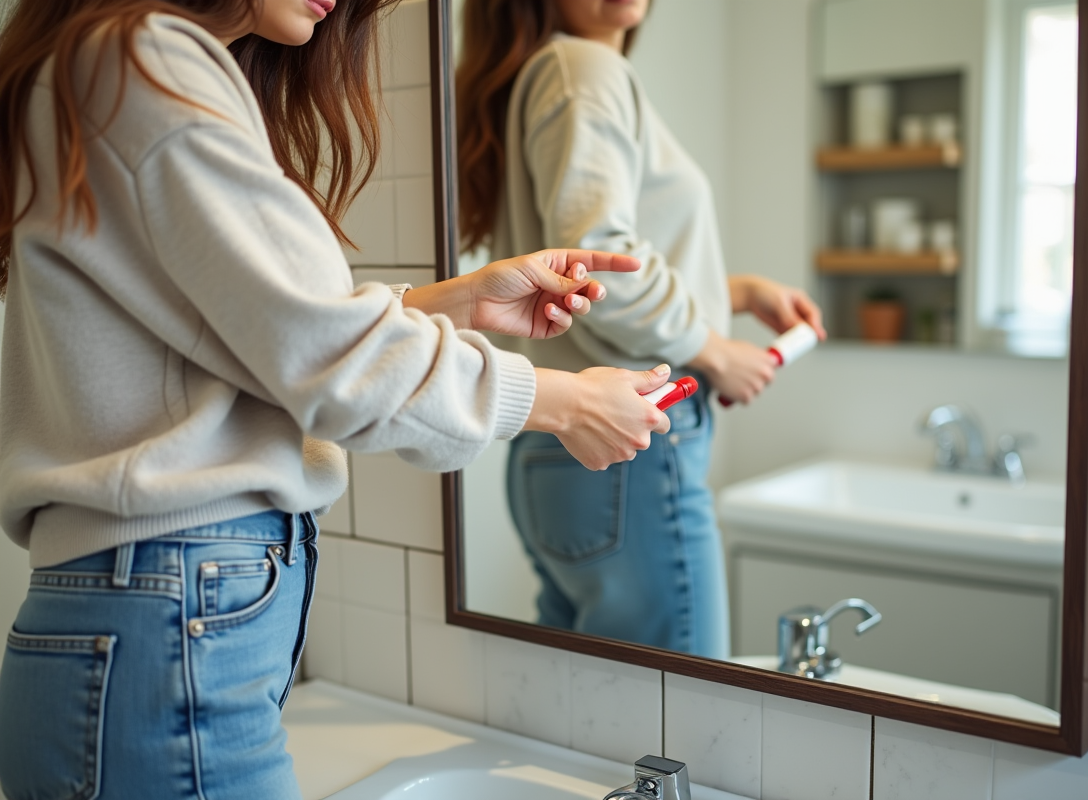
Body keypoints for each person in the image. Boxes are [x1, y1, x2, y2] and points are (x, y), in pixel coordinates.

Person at [0, 0, 676, 797]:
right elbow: (324, 357)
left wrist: (454, 303)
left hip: (146, 615)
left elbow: (248, 335)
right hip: (171, 613)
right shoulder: (140, 58)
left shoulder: (100, 64)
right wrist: (562, 400)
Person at [456, 0, 827, 659]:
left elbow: (594, 268)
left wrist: (734, 292)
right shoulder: (583, 69)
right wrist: (713, 350)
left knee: (591, 705)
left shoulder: (555, 73)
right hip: (629, 442)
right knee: (676, 708)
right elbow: (599, 261)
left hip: (565, 452)